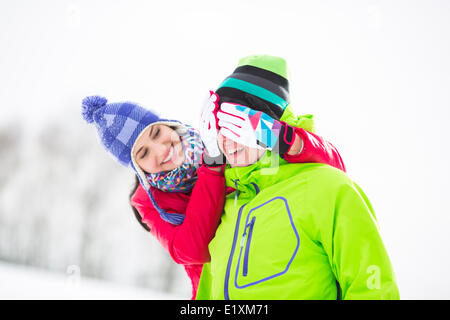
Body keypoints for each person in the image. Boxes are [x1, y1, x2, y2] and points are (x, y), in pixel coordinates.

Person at [81, 62, 345, 299]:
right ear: (138, 169)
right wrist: (213, 165)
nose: (161, 150)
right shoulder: (149, 203)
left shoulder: (218, 136)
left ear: (169, 125)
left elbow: (329, 169)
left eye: (157, 132)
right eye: (143, 153)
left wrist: (283, 138)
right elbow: (193, 250)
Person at [195, 55, 400, 300]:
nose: (225, 140)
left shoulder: (328, 188)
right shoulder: (227, 205)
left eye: (233, 126)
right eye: (218, 127)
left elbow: (371, 289)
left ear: (267, 125)